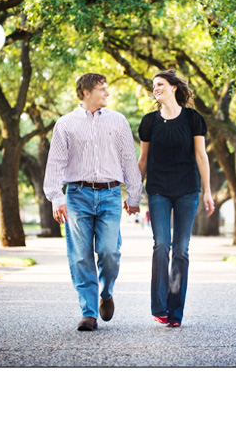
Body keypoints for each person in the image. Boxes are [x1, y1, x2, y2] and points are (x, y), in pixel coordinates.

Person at [44, 73, 143, 331]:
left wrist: (134, 196)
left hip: (110, 195)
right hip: (77, 195)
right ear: (86, 92)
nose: (107, 93)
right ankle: (88, 312)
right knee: (80, 256)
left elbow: (128, 160)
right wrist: (56, 197)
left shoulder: (118, 121)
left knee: (110, 251)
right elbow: (55, 163)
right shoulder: (65, 124)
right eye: (102, 89)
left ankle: (106, 292)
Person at [138, 70, 215, 327]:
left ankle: (175, 312)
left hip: (187, 191)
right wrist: (136, 193)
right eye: (153, 85)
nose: (155, 88)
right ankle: (159, 306)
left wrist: (208, 191)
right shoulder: (149, 122)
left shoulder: (193, 119)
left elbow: (201, 156)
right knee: (162, 245)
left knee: (181, 250)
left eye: (160, 84)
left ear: (173, 87)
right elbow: (143, 160)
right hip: (158, 190)